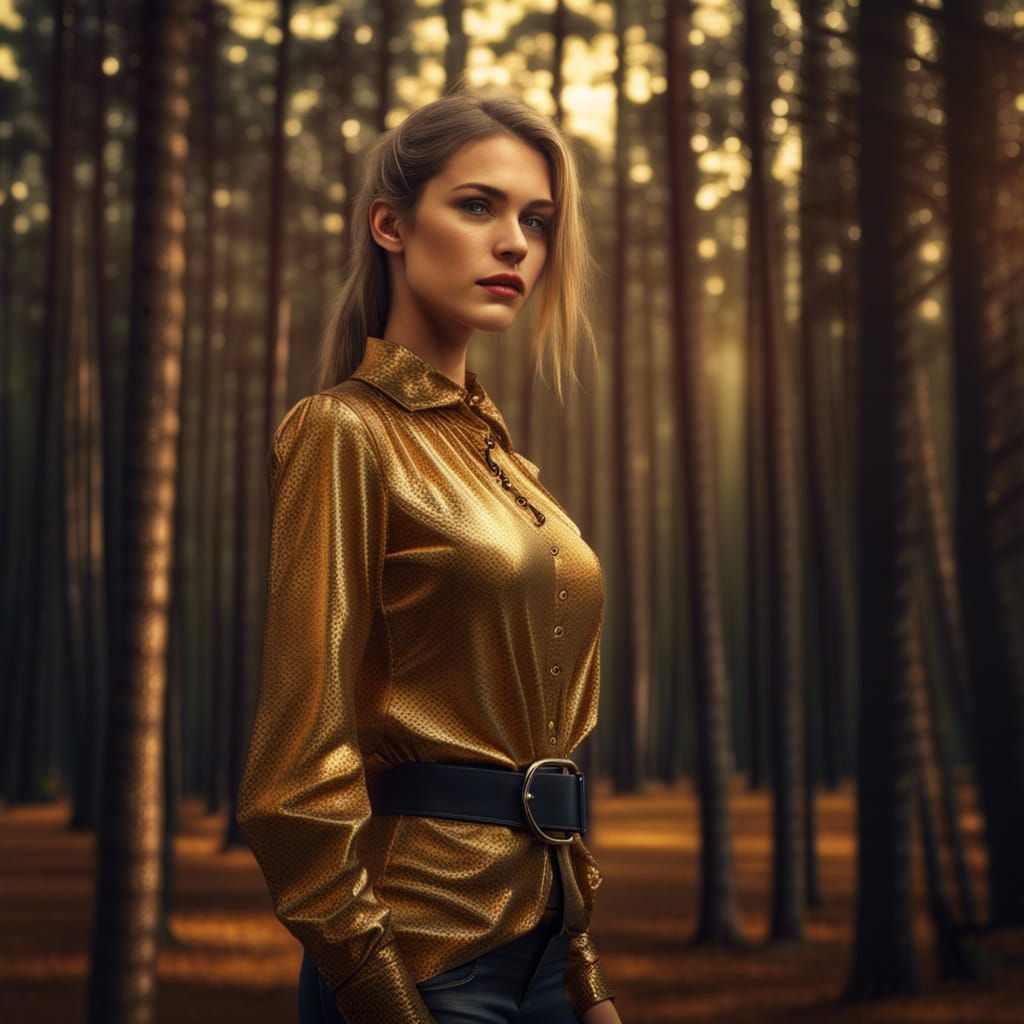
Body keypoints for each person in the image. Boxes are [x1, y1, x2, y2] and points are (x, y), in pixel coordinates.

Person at [236, 89, 623, 1024]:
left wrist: (583, 971)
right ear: (391, 224)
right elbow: (294, 773)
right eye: (479, 205)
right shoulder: (343, 433)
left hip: (547, 953)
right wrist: (374, 984)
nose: (516, 244)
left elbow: (545, 745)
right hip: (420, 957)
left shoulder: (508, 467)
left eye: (537, 219)